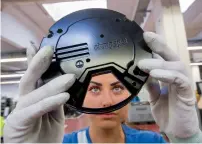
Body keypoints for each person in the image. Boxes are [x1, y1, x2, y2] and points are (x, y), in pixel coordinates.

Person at [3, 32, 202, 143]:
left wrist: (187, 140)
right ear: (79, 97)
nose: (107, 102)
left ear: (131, 96)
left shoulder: (151, 142)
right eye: (95, 89)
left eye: (117, 88)